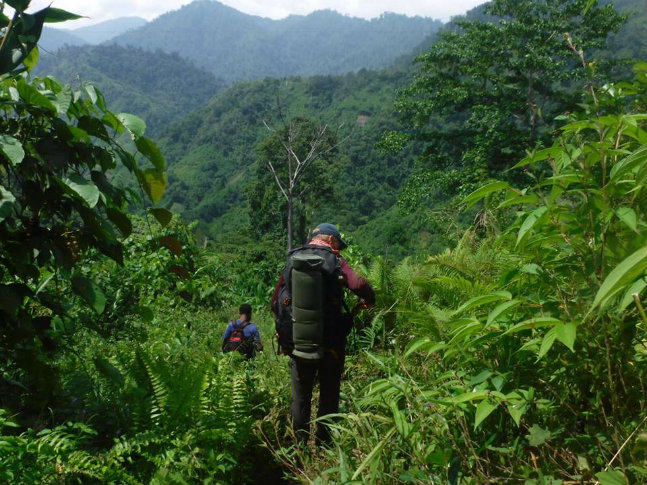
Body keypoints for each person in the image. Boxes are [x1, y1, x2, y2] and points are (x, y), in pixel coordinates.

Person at [271, 223, 375, 444]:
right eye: (338, 243)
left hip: (299, 342)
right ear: (330, 240)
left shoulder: (293, 259)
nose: (339, 248)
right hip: (331, 343)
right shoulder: (335, 260)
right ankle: (323, 443)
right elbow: (357, 283)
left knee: (300, 395)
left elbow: (274, 301)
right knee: (329, 394)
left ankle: (299, 445)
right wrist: (370, 299)